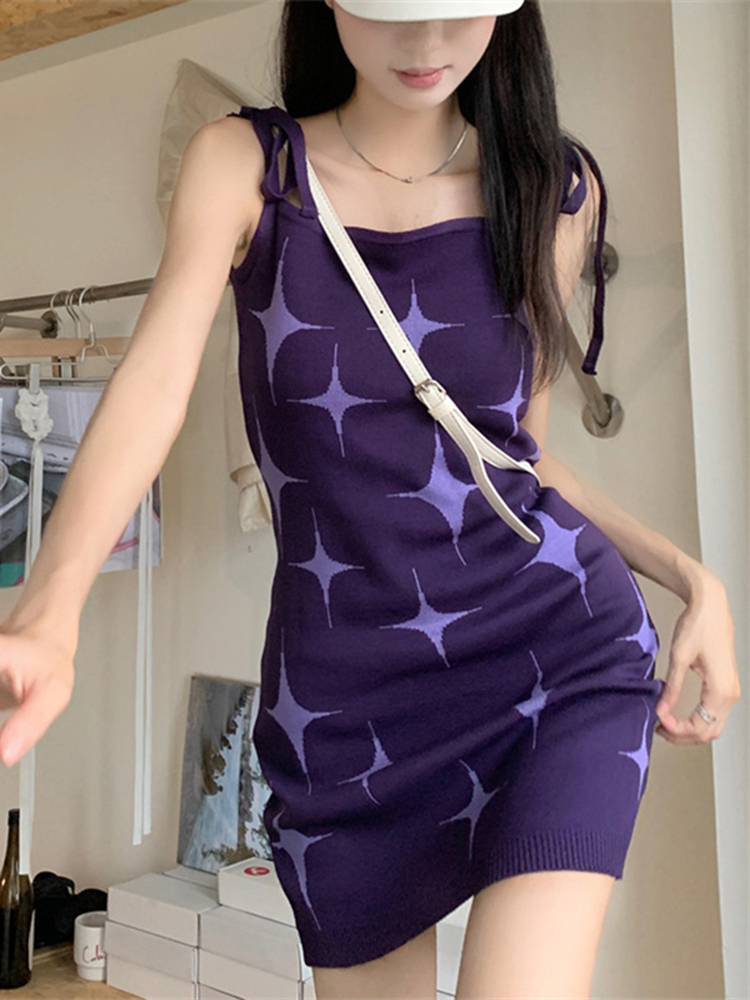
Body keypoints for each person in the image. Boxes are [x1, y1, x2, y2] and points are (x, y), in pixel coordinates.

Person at [0, 0, 740, 997]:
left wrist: (693, 579)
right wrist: (49, 613)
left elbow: (521, 461)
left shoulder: (553, 188)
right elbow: (155, 385)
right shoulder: (247, 169)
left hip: (555, 660)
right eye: (391, 8)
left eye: (458, 8)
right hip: (345, 708)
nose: (426, 43)